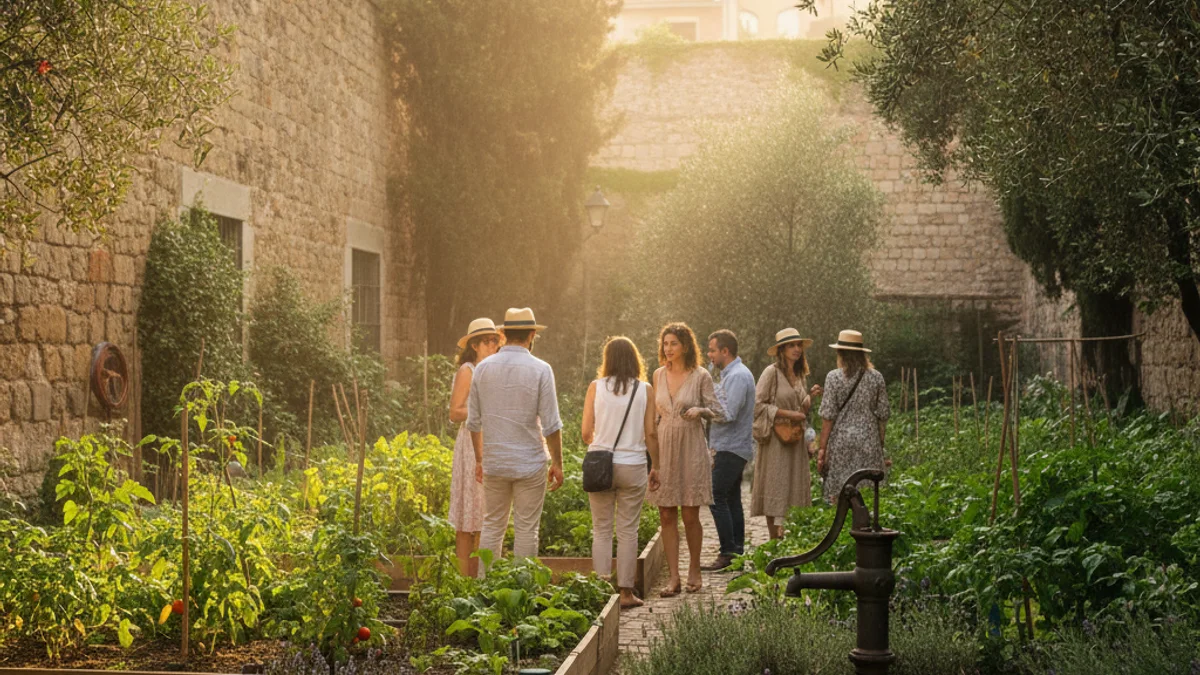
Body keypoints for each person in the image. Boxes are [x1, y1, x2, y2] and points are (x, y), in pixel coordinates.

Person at [467, 307, 564, 576]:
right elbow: (552, 424)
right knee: (526, 528)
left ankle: (485, 588)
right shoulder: (541, 369)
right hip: (529, 462)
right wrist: (557, 462)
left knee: (492, 525)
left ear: (503, 334)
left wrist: (479, 459)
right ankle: (525, 589)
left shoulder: (482, 369)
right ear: (532, 334)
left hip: (495, 461)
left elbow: (473, 422)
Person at [581, 337, 662, 609]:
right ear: (634, 359)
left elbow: (584, 433)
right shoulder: (645, 389)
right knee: (628, 531)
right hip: (634, 464)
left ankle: (602, 590)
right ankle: (626, 593)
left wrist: (601, 438)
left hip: (600, 464)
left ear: (608, 360)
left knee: (601, 530)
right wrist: (657, 465)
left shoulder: (596, 387)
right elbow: (651, 432)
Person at [649, 322, 724, 596]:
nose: (668, 349)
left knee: (690, 514)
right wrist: (652, 458)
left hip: (691, 447)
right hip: (664, 447)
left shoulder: (700, 375)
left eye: (673, 344)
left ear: (685, 346)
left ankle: (694, 569)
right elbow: (653, 417)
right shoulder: (657, 375)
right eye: (665, 344)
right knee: (666, 514)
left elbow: (718, 410)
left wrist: (700, 409)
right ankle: (673, 578)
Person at [751, 328, 821, 540]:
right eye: (791, 345)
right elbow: (757, 406)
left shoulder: (799, 375)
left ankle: (789, 541)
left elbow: (801, 410)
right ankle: (775, 541)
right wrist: (788, 413)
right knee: (775, 486)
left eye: (799, 345)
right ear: (781, 350)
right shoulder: (771, 373)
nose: (797, 349)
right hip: (776, 441)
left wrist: (809, 397)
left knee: (791, 488)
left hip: (795, 440)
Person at [447, 317, 503, 577]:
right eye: (487, 341)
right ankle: (464, 579)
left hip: (491, 441)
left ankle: (483, 578)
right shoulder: (468, 370)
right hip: (471, 444)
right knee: (467, 518)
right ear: (474, 346)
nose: (493, 345)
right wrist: (483, 410)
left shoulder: (495, 369)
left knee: (487, 515)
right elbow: (455, 412)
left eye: (495, 340)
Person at [701, 329, 755, 571]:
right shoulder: (730, 374)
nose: (709, 354)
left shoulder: (737, 376)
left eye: (712, 350)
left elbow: (727, 413)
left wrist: (702, 408)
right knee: (731, 498)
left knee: (715, 497)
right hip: (731, 446)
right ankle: (736, 553)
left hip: (731, 447)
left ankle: (727, 552)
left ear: (725, 351)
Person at [815, 329, 890, 503]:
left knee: (840, 494)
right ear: (862, 354)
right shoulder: (876, 378)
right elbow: (883, 415)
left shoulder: (833, 378)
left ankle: (842, 527)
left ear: (840, 352)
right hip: (868, 441)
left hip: (841, 443)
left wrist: (822, 449)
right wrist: (880, 444)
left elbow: (828, 417)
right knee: (868, 494)